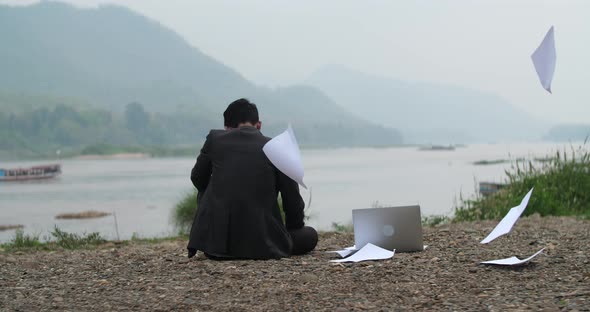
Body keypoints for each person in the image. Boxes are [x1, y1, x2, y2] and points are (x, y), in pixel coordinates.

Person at [187, 98, 318, 260]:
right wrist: (293, 229)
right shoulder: (277, 148)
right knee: (309, 236)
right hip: (264, 245)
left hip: (216, 247)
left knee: (205, 185)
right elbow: (293, 202)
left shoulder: (215, 139)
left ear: (227, 128)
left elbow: (197, 179)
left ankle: (213, 236)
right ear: (259, 125)